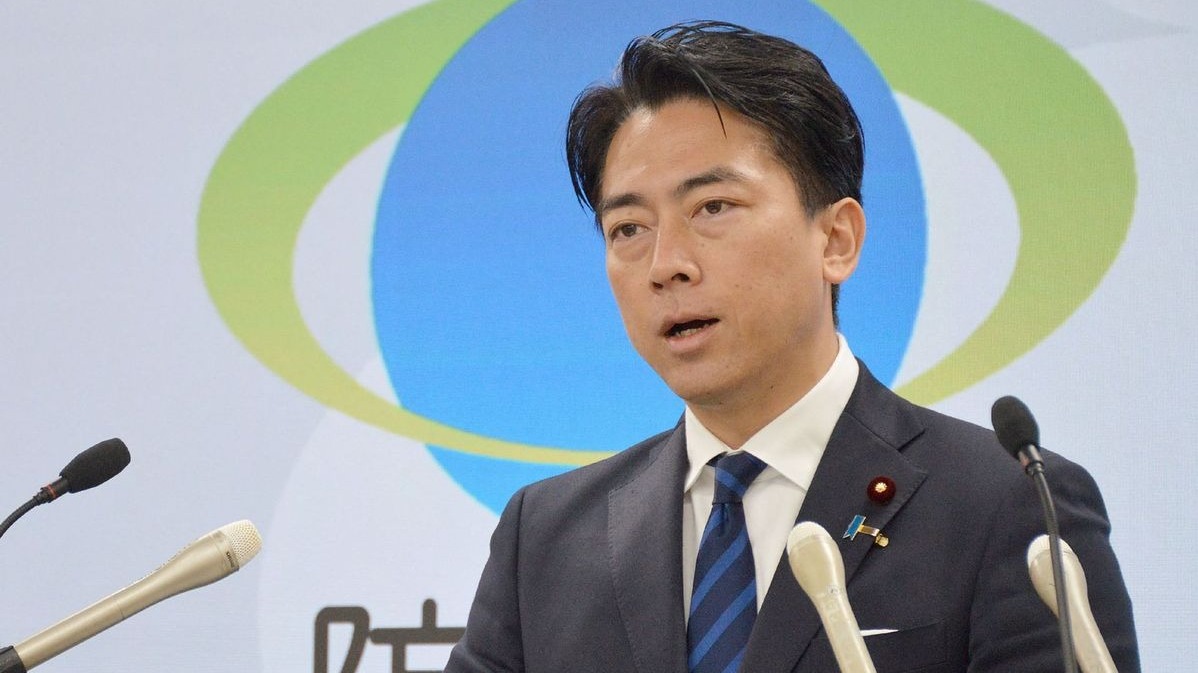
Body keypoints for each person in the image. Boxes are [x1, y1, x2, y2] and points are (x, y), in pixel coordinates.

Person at [445, 20, 1139, 673]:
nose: (665, 264)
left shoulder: (1007, 505)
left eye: (713, 208)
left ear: (836, 239)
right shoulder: (545, 537)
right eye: (628, 228)